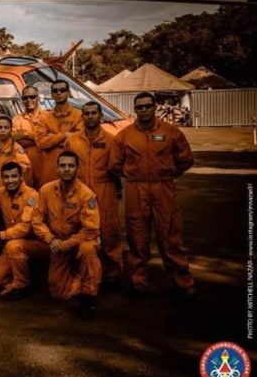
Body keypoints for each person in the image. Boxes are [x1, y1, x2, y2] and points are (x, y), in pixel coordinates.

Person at [109, 92, 196, 302]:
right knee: (137, 236)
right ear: (135, 110)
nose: (144, 110)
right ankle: (137, 281)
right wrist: (134, 175)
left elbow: (186, 160)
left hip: (163, 188)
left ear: (154, 107)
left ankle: (182, 283)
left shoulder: (171, 133)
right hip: (136, 189)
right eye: (139, 107)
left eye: (148, 106)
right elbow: (114, 164)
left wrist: (167, 175)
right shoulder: (125, 135)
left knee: (170, 236)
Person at [32, 151, 101, 319]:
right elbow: (37, 220)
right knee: (58, 293)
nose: (67, 169)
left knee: (88, 250)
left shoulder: (86, 194)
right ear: (57, 168)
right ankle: (79, 277)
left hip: (80, 241)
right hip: (57, 243)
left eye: (71, 166)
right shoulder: (46, 190)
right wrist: (51, 239)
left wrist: (66, 244)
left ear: (78, 169)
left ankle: (89, 295)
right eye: (63, 166)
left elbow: (91, 229)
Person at [64, 101, 122, 289]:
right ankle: (82, 270)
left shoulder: (112, 140)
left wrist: (117, 188)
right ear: (82, 117)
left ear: (100, 116)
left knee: (108, 230)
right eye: (86, 113)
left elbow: (116, 168)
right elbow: (67, 165)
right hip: (80, 190)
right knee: (78, 229)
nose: (90, 116)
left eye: (94, 113)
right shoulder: (72, 141)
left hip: (104, 188)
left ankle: (113, 272)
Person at [0, 162, 48, 299]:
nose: (10, 180)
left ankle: (21, 284)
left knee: (13, 246)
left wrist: (0, 235)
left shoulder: (32, 196)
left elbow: (26, 228)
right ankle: (27, 278)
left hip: (36, 243)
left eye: (14, 176)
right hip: (11, 245)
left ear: (21, 177)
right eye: (6, 177)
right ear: (1, 178)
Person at [34, 80, 83, 185]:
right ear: (51, 94)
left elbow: (80, 140)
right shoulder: (44, 117)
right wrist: (64, 136)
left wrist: (52, 138)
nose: (59, 93)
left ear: (68, 92)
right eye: (55, 90)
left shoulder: (78, 115)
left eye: (62, 90)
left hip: (71, 168)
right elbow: (41, 142)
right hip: (50, 170)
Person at [0, 115, 32, 188]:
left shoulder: (16, 148)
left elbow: (25, 166)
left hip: (14, 187)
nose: (3, 130)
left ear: (11, 130)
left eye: (6, 128)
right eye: (0, 127)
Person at [13, 86, 44, 188]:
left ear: (38, 98)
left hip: (45, 162)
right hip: (25, 162)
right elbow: (13, 139)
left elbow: (48, 138)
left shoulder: (47, 116)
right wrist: (37, 139)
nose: (29, 100)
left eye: (32, 97)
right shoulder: (17, 119)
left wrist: (24, 135)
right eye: (25, 98)